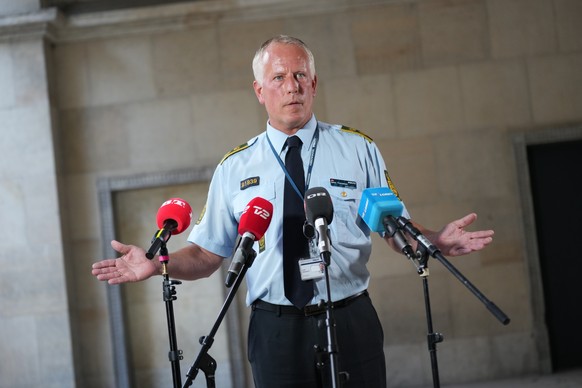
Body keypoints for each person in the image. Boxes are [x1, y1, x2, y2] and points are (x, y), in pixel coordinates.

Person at [92, 35, 494, 387]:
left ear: (314, 84)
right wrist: (156, 262)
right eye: (279, 78)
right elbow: (205, 254)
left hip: (350, 318)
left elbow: (392, 227)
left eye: (301, 76)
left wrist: (433, 239)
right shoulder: (235, 167)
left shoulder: (357, 149)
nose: (292, 87)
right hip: (276, 329)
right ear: (259, 90)